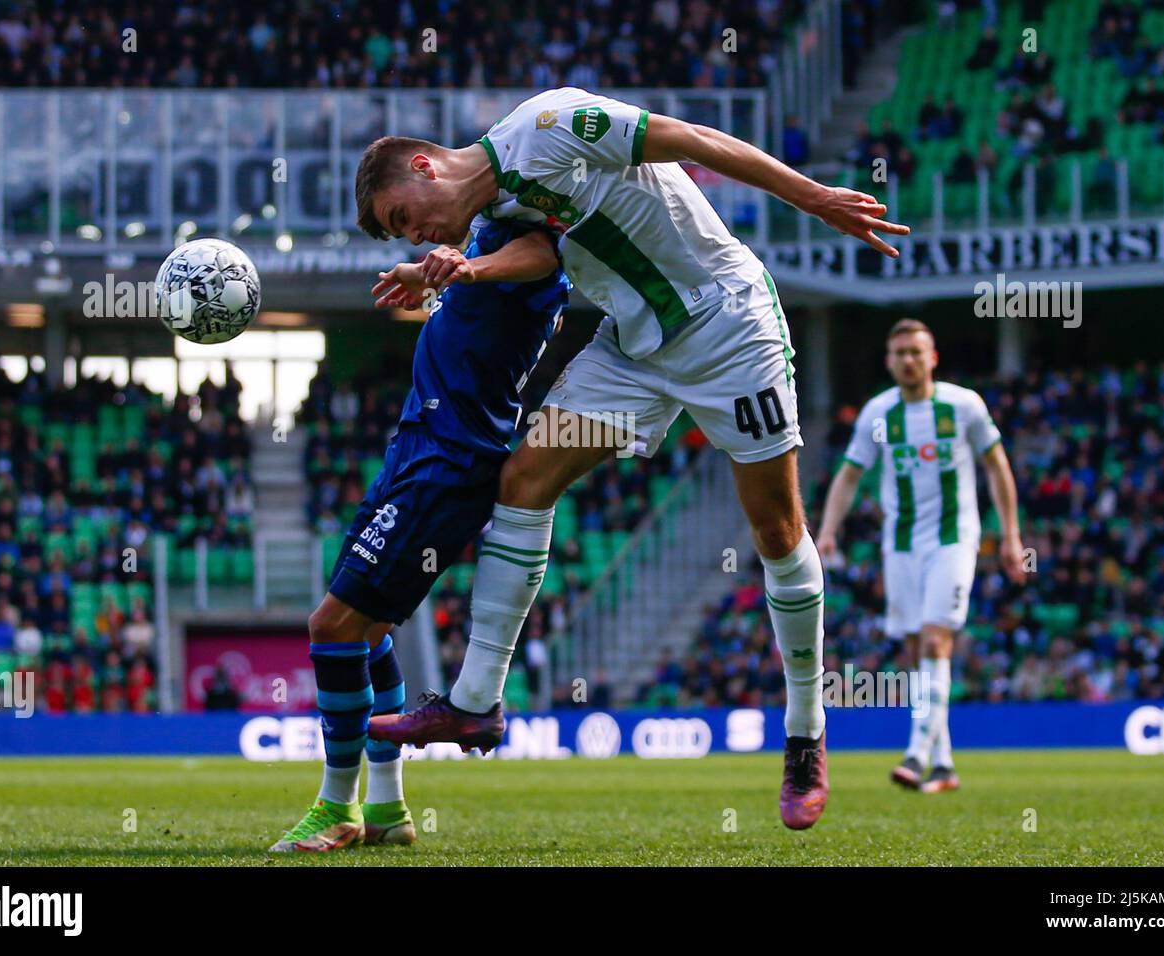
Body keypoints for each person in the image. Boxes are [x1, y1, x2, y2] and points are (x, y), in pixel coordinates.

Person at [355, 86, 908, 830]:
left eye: (402, 218)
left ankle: (807, 733)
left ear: (423, 167)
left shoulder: (550, 125)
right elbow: (542, 252)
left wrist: (810, 197)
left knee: (777, 531)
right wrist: (464, 271)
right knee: (523, 480)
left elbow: (688, 138)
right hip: (633, 349)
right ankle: (475, 704)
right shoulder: (492, 211)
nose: (413, 233)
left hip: (725, 325)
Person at [269, 220, 568, 852]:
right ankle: (384, 807)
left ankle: (336, 806)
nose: (410, 229)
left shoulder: (527, 237)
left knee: (333, 627)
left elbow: (541, 257)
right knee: (363, 631)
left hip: (446, 467)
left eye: (400, 213)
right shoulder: (489, 239)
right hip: (417, 451)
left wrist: (463, 267)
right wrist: (437, 278)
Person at [815, 319, 1026, 794]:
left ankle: (916, 753)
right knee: (916, 654)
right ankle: (946, 765)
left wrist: (1010, 536)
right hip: (901, 544)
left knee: (935, 643)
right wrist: (828, 531)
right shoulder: (877, 413)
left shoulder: (963, 405)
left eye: (916, 352)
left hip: (954, 538)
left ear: (932, 358)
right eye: (899, 353)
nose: (908, 360)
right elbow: (849, 476)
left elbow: (998, 468)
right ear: (889, 362)